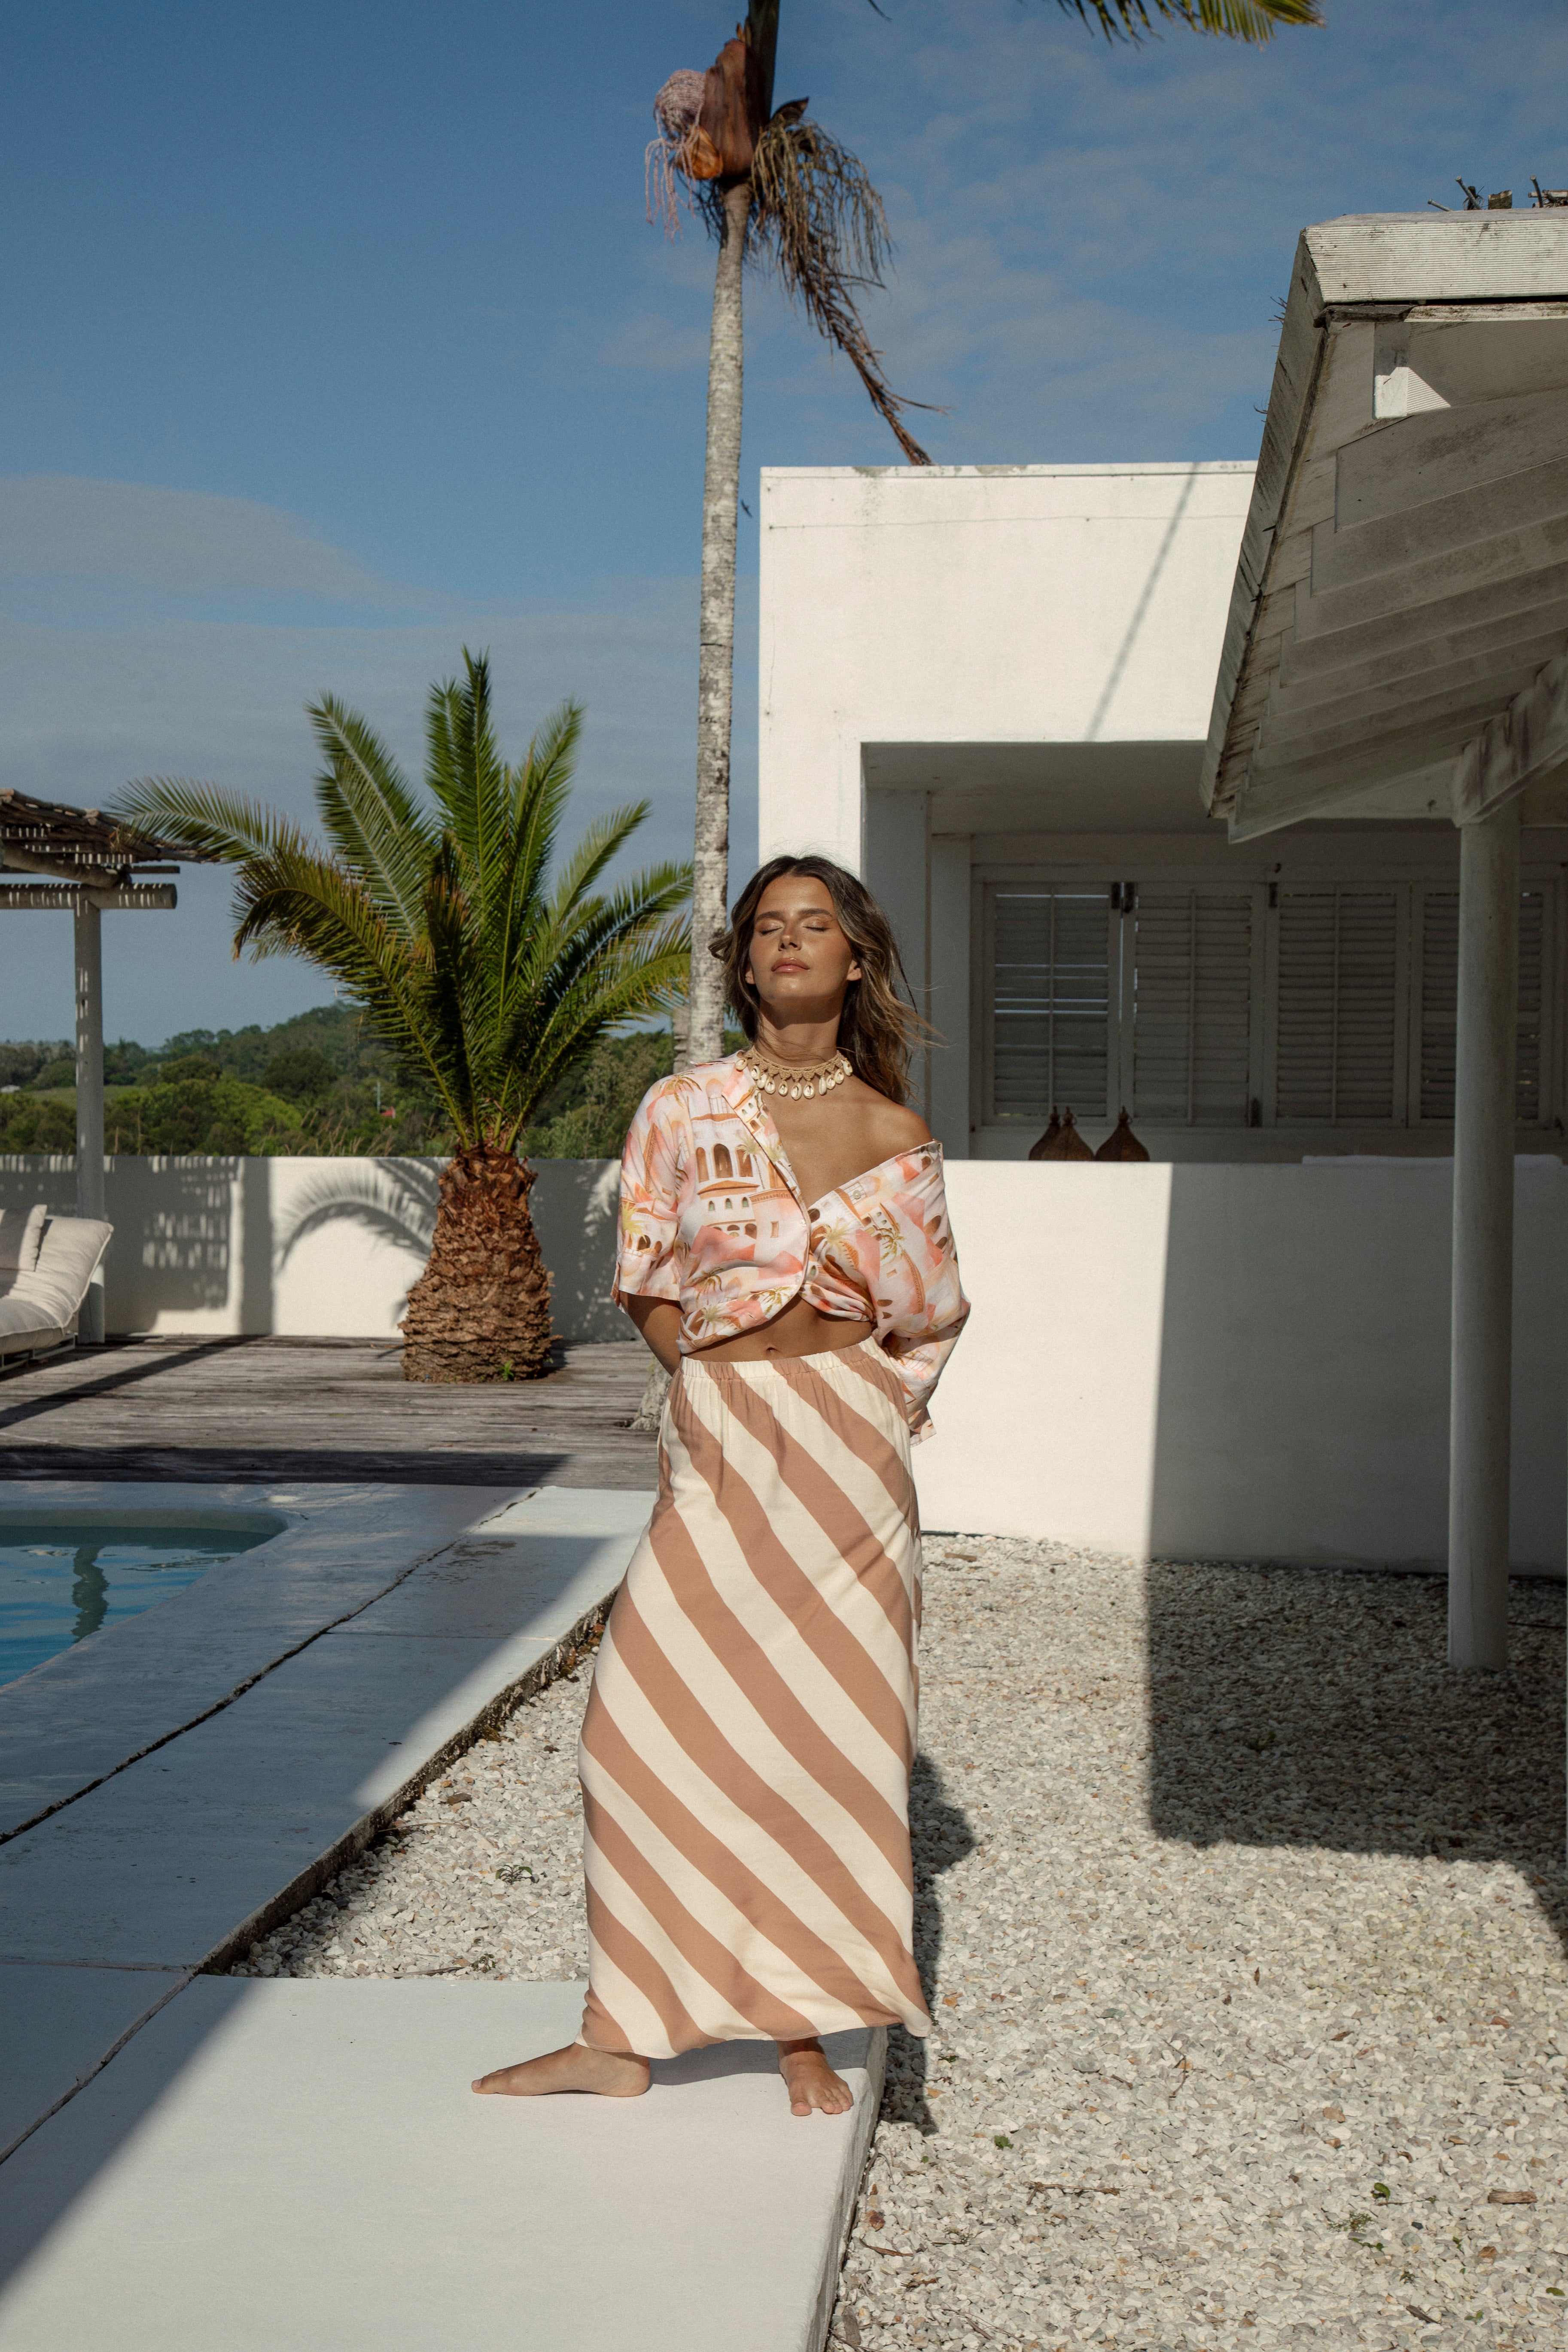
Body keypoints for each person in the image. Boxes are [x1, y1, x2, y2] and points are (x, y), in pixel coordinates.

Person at [473, 853, 970, 2118]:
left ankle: (801, 2020)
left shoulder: (895, 1137)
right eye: (768, 928)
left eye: (816, 926)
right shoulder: (680, 1109)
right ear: (741, 961)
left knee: (826, 1749)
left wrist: (861, 1417)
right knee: (633, 1737)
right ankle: (620, 2033)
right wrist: (709, 1397)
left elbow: (930, 1319)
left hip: (848, 1461)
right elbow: (645, 1278)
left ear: (855, 959)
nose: (790, 943)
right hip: (723, 1436)